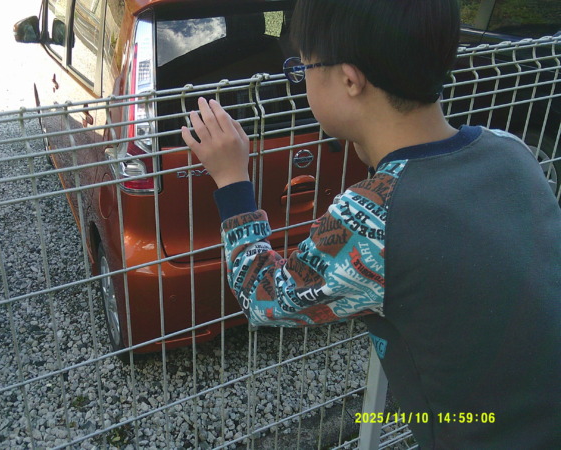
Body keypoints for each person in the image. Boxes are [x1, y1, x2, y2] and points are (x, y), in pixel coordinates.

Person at [181, 0, 561, 448]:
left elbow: (263, 296)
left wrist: (231, 178)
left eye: (302, 68)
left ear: (349, 79)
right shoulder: (510, 150)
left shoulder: (375, 217)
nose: (301, 80)